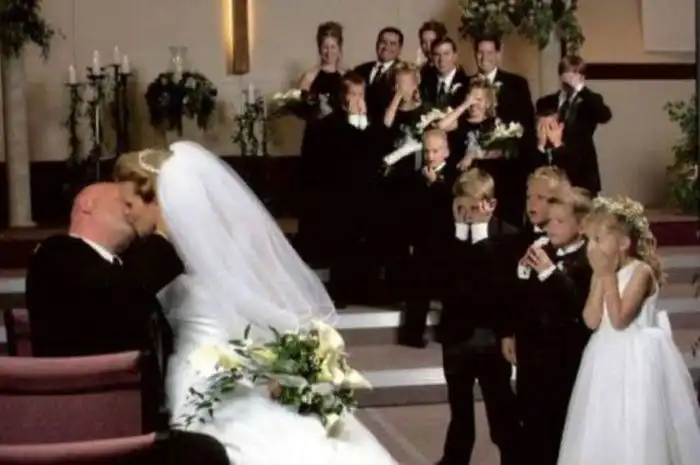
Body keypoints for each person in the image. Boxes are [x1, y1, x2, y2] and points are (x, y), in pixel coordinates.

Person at [114, 141, 397, 465]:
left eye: (129, 203)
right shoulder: (191, 250)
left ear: (157, 199)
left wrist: (296, 358)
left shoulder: (168, 256)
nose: (126, 213)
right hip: (215, 368)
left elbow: (259, 310)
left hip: (201, 376)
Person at [557, 196, 700, 465]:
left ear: (623, 243)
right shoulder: (601, 273)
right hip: (604, 357)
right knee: (604, 422)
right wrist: (600, 278)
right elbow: (591, 320)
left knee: (636, 424)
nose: (593, 247)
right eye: (590, 240)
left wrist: (607, 276)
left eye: (599, 239)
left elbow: (620, 319)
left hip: (637, 359)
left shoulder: (641, 272)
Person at [502, 186, 593, 465]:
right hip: (532, 353)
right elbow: (521, 299)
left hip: (565, 358)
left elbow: (581, 306)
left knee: (557, 425)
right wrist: (510, 332)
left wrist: (550, 273)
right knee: (529, 421)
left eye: (559, 221)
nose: (550, 227)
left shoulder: (589, 259)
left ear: (581, 226)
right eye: (549, 220)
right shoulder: (542, 250)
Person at [437, 168, 520, 465]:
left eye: (473, 208)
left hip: (491, 338)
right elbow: (445, 284)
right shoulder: (449, 235)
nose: (467, 216)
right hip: (456, 335)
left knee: (500, 408)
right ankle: (455, 459)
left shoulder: (508, 237)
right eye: (461, 208)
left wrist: (482, 239)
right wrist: (459, 237)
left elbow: (501, 288)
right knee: (459, 411)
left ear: (490, 205)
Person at [397, 129, 456, 348]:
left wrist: (436, 185)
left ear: (446, 151)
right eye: (427, 151)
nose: (430, 156)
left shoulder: (455, 176)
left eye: (435, 151)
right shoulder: (414, 178)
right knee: (418, 291)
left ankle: (448, 334)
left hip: (448, 243)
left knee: (451, 292)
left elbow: (453, 206)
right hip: (421, 242)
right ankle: (412, 335)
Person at [296, 21, 346, 265]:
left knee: (336, 200)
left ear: (340, 48)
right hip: (316, 143)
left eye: (333, 46)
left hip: (339, 146)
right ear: (319, 48)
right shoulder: (309, 77)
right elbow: (300, 109)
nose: (329, 51)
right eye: (325, 46)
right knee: (314, 197)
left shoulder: (346, 77)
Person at [536, 56, 612, 195]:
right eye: (567, 72)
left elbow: (605, 116)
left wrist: (581, 89)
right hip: (553, 170)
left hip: (582, 171)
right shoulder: (545, 102)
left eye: (576, 73)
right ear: (560, 75)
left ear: (582, 77)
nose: (571, 77)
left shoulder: (590, 101)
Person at [354, 27, 404, 121]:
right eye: (383, 42)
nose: (386, 47)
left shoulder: (403, 74)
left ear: (400, 49)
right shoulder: (360, 70)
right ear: (377, 44)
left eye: (392, 44)